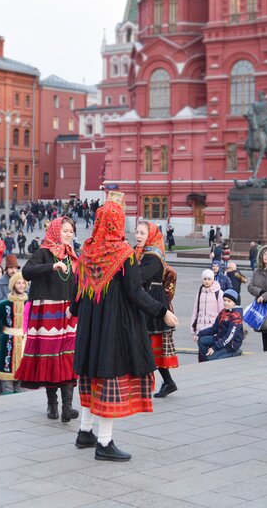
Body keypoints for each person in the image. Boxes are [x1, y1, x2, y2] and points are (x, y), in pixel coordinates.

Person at [71, 193, 179, 461]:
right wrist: (162, 311)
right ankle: (104, 443)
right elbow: (136, 293)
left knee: (91, 374)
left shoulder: (86, 252)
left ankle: (85, 432)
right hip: (114, 325)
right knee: (109, 376)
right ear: (116, 223)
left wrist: (75, 312)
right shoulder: (123, 254)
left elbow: (76, 292)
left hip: (89, 325)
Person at [19, 217, 80, 422]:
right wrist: (51, 267)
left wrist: (77, 306)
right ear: (55, 231)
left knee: (68, 357)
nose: (68, 234)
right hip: (47, 313)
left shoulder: (73, 257)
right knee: (51, 357)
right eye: (64, 230)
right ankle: (52, 405)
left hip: (68, 313)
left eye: (71, 231)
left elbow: (77, 285)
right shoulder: (43, 252)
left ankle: (67, 407)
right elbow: (26, 272)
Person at [134, 221, 179, 398]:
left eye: (142, 233)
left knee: (149, 345)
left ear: (151, 235)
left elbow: (138, 277)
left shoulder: (152, 256)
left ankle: (148, 385)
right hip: (150, 300)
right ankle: (168, 382)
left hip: (152, 302)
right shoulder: (141, 253)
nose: (138, 236)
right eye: (137, 232)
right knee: (149, 346)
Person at [0, 273, 28, 395]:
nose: (21, 285)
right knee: (7, 381)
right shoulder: (2, 305)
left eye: (23, 283)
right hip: (7, 343)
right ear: (13, 285)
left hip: (24, 342)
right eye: (18, 283)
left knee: (22, 383)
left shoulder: (30, 304)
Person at [195, 289, 243, 361]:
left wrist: (215, 347)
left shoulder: (236, 316)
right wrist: (199, 334)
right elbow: (214, 328)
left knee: (212, 358)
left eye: (229, 301)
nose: (226, 303)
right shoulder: (223, 312)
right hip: (220, 339)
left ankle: (235, 353)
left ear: (234, 302)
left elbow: (229, 337)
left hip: (230, 344)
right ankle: (206, 360)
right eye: (224, 300)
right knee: (201, 340)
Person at [190, 269, 223, 341]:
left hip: (213, 329)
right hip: (200, 329)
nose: (207, 281)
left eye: (209, 279)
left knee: (210, 350)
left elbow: (222, 313)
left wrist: (221, 330)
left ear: (213, 280)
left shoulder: (219, 293)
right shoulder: (199, 292)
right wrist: (194, 330)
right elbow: (195, 311)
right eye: (205, 279)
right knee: (201, 350)